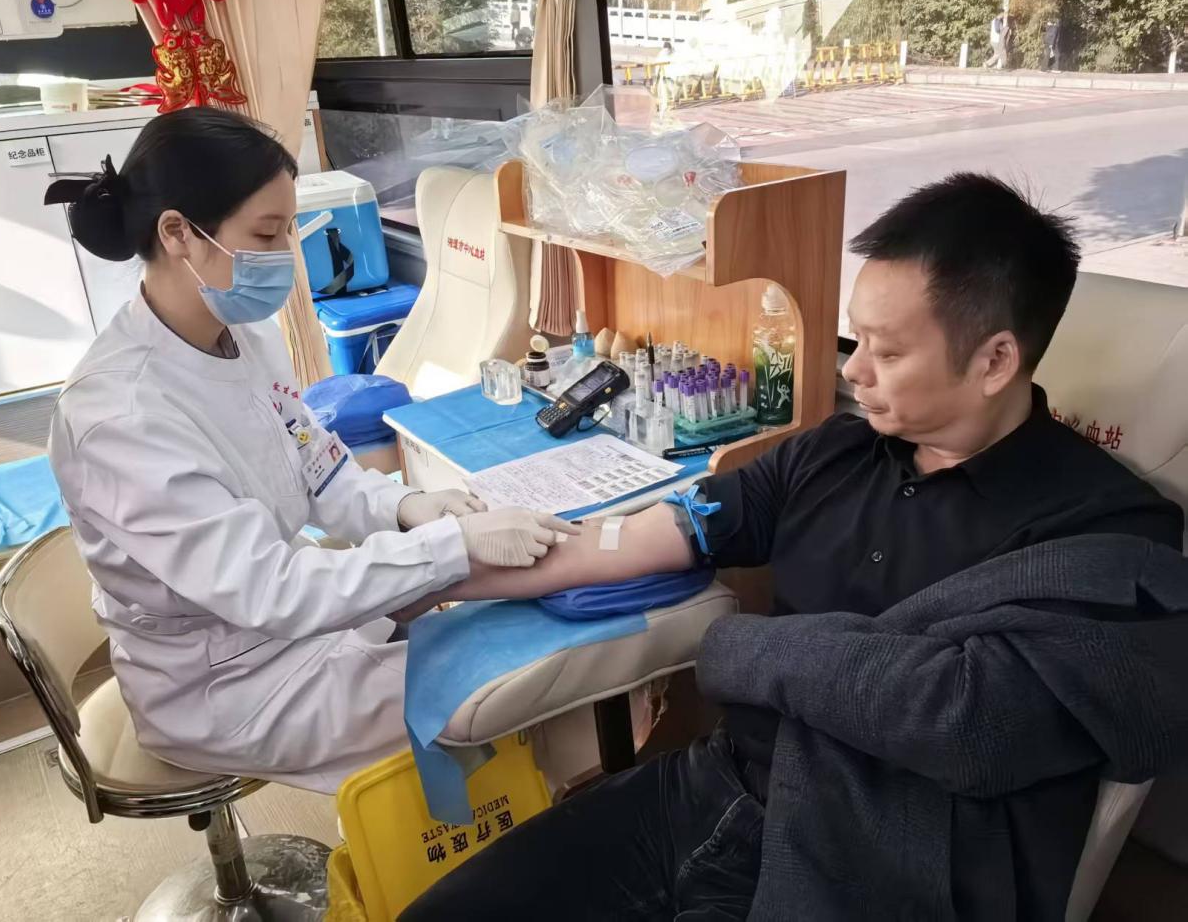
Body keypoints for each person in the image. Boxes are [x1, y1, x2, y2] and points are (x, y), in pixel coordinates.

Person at [398, 174, 1185, 919]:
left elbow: (972, 722)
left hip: (871, 852)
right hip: (718, 787)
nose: (854, 370)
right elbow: (640, 537)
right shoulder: (834, 452)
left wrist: (735, 649)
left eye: (886, 351)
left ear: (994, 360)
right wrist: (436, 574)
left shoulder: (1109, 534)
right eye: (857, 339)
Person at [45, 107, 575, 792]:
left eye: (289, 229)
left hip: (290, 631)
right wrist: (448, 547)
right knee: (510, 683)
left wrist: (410, 508)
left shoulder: (244, 341)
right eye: (267, 233)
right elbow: (269, 589)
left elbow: (318, 467)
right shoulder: (119, 416)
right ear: (177, 233)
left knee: (502, 639)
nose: (287, 256)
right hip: (224, 687)